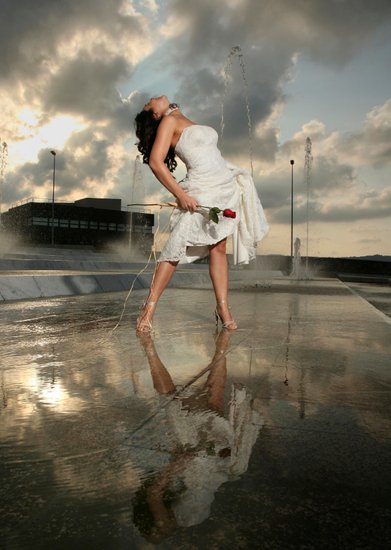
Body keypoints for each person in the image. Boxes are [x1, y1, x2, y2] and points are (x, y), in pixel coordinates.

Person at [134, 95, 269, 332]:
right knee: (176, 247)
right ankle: (149, 307)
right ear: (155, 115)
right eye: (149, 103)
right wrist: (181, 195)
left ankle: (223, 307)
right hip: (202, 188)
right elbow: (156, 162)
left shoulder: (179, 117)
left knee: (218, 247)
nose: (153, 98)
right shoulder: (167, 123)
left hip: (223, 186)